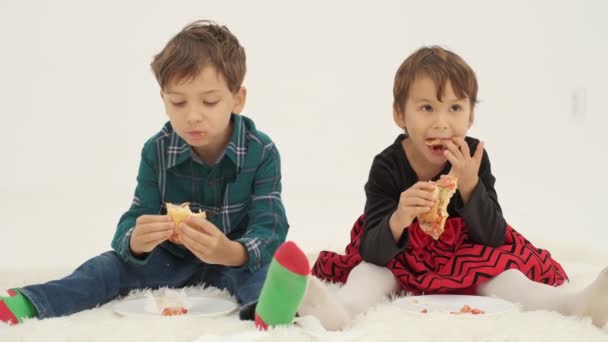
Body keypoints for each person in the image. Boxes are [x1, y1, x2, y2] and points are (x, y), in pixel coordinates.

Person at [0, 20, 288, 325]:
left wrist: (231, 252)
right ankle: (33, 302)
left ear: (237, 99)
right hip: (170, 261)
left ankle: (270, 312)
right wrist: (136, 241)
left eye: (210, 101)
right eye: (178, 102)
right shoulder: (157, 151)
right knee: (105, 267)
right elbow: (134, 217)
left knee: (267, 271)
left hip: (235, 259)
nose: (192, 115)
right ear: (164, 100)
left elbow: (269, 226)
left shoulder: (261, 150)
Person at [299, 46, 608, 330]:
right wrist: (400, 216)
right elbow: (373, 249)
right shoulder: (388, 165)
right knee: (368, 274)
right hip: (399, 254)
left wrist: (471, 184)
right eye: (427, 108)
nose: (442, 123)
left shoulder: (473, 158)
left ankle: (576, 305)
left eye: (455, 109)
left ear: (471, 115)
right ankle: (340, 310)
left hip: (465, 250)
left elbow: (493, 236)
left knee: (508, 278)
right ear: (399, 114)